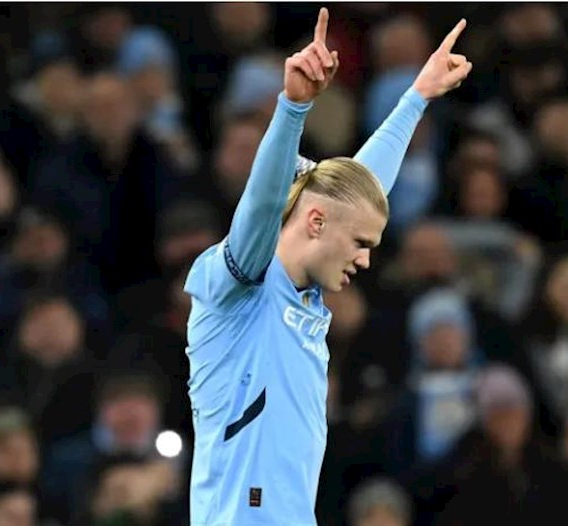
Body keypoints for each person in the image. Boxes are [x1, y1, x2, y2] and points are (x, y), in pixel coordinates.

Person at [185, 7, 473, 524]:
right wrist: (293, 108)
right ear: (314, 222)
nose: (366, 259)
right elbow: (262, 205)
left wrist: (415, 98)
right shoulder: (242, 284)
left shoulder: (308, 297)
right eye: (360, 243)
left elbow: (361, 188)